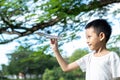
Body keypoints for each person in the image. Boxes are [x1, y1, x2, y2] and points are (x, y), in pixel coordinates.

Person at [50, 19, 120, 80]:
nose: (87, 41)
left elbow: (117, 78)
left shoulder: (112, 56)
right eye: (86, 38)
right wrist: (55, 50)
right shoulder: (88, 58)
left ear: (101, 36)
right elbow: (66, 68)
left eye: (89, 37)